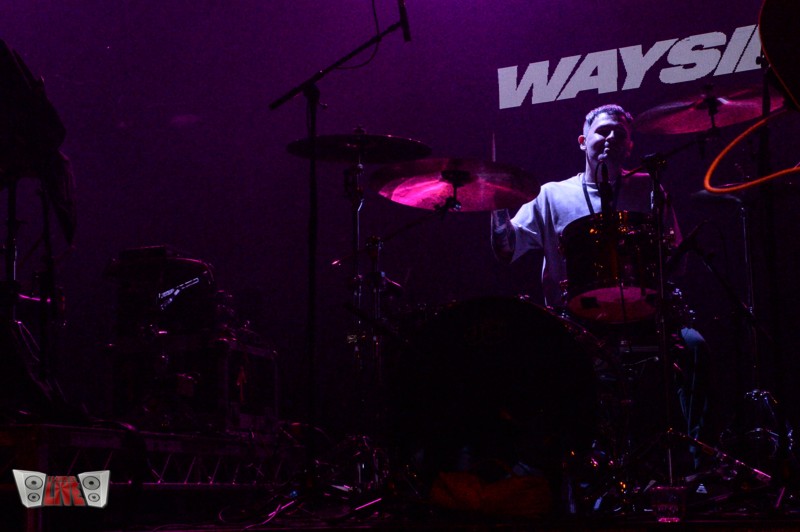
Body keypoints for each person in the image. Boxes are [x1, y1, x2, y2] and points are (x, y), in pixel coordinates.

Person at [490, 104, 708, 467]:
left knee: (695, 346)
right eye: (602, 132)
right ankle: (559, 466)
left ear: (630, 146)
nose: (610, 138)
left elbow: (677, 262)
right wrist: (496, 200)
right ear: (582, 141)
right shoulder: (551, 195)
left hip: (642, 315)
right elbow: (506, 250)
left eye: (619, 134)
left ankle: (696, 464)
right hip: (577, 323)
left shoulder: (648, 187)